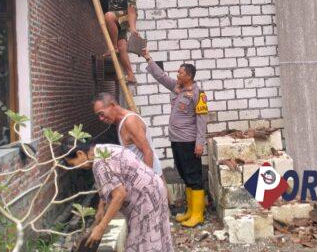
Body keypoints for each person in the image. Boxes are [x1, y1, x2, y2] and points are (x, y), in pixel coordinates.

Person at [62, 138, 173, 251]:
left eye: (73, 164)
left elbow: (119, 195)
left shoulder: (100, 164)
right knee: (157, 236)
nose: (76, 167)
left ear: (80, 154)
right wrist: (101, 208)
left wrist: (101, 227)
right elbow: (109, 183)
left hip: (146, 199)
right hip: (155, 188)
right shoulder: (102, 149)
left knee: (143, 242)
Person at [142, 47, 208, 227]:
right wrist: (148, 58)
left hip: (189, 141)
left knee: (194, 176)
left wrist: (200, 143)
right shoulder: (176, 87)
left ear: (189, 76)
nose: (177, 75)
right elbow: (161, 77)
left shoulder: (198, 94)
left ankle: (198, 215)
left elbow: (202, 120)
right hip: (176, 140)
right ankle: (189, 211)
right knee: (184, 174)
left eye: (180, 72)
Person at [92, 92, 162, 176]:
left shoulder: (130, 121)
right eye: (98, 115)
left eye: (102, 114)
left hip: (149, 177)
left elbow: (147, 152)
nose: (101, 118)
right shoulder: (118, 123)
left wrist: (147, 181)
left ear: (112, 105)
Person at [90, 0, 138, 84]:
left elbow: (132, 11)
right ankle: (131, 75)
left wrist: (133, 28)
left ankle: (113, 47)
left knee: (108, 16)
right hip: (116, 19)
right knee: (123, 47)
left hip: (126, 16)